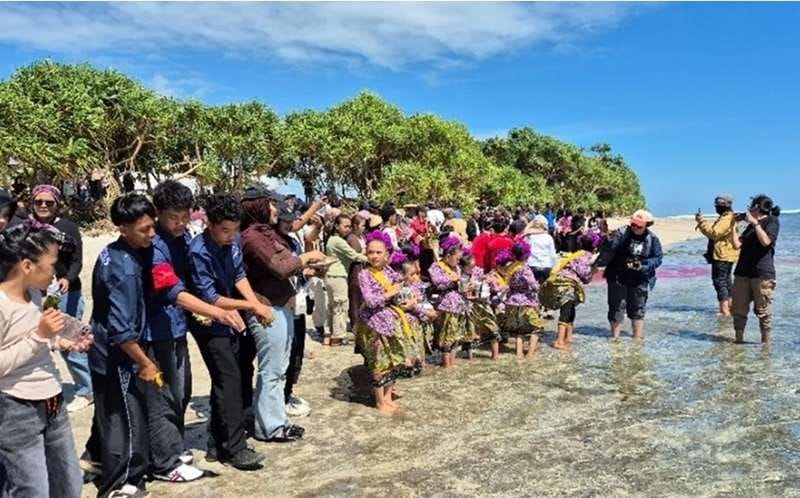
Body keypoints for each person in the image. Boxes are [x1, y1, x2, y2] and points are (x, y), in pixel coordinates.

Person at [146, 180, 244, 479]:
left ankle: (169, 448)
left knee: (180, 390)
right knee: (163, 395)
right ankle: (165, 461)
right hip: (154, 327)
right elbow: (172, 289)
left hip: (177, 325)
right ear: (158, 214)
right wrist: (217, 311)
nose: (180, 223)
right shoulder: (155, 246)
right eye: (173, 217)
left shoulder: (183, 239)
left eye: (185, 216)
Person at [0, 222, 91, 498]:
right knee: (32, 489)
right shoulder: (2, 304)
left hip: (52, 402)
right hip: (16, 408)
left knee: (68, 483)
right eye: (52, 264)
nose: (55, 273)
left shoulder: (36, 295)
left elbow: (39, 338)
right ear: (27, 266)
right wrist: (40, 336)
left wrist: (64, 341)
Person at [188, 193, 269, 470]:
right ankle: (235, 448)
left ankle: (216, 441)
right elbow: (209, 297)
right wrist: (250, 304)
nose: (231, 236)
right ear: (209, 223)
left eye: (235, 230)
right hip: (208, 321)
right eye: (225, 230)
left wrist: (254, 304)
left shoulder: (232, 242)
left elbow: (238, 275)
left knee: (227, 378)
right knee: (229, 378)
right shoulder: (198, 251)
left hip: (231, 317)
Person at [88, 193, 161, 497]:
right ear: (123, 228)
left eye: (152, 226)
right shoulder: (124, 269)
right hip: (117, 355)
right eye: (144, 230)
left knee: (110, 414)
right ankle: (121, 482)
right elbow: (121, 330)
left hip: (106, 348)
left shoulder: (115, 252)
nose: (152, 234)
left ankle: (96, 460)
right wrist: (145, 362)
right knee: (126, 418)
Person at [239, 186, 324, 443]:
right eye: (271, 204)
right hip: (268, 308)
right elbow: (279, 266)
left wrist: (305, 269)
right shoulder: (253, 237)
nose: (276, 209)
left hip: (281, 305)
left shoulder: (267, 234)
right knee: (272, 370)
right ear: (258, 207)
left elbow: (287, 265)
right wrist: (307, 257)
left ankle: (277, 420)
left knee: (280, 368)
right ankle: (270, 427)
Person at [24, 184, 93, 413]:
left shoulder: (68, 227)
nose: (43, 206)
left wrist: (68, 279)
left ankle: (87, 389)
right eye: (39, 202)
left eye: (49, 202)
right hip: (36, 293)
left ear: (57, 203)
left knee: (69, 340)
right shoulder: (26, 228)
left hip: (65, 293)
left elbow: (77, 260)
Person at [356, 231, 418, 414]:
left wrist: (411, 296)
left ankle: (389, 396)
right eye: (370, 252)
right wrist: (390, 293)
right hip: (374, 324)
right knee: (379, 362)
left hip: (392, 320)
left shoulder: (390, 271)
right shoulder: (364, 274)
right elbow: (370, 301)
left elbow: (404, 286)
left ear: (387, 254)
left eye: (378, 252)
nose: (374, 256)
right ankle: (379, 401)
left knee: (394, 360)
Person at [595, 209, 663, 340]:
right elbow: (607, 249)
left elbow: (658, 258)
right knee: (616, 307)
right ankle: (615, 338)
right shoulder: (621, 233)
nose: (635, 227)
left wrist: (644, 266)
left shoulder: (652, 239)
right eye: (633, 224)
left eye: (639, 226)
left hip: (640, 278)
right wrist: (607, 239)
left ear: (647, 225)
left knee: (638, 308)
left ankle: (637, 339)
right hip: (617, 276)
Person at [731, 194, 780, 344]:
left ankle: (765, 348)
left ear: (756, 207)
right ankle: (738, 343)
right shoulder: (751, 226)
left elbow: (766, 242)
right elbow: (737, 245)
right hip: (742, 273)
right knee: (738, 311)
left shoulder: (772, 221)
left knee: (763, 312)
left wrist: (756, 224)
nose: (748, 209)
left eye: (750, 206)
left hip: (762, 274)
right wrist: (733, 226)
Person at [540, 234, 596, 349]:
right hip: (568, 285)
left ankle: (568, 337)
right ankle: (559, 341)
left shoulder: (577, 253)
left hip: (560, 282)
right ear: (594, 247)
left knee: (570, 310)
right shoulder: (588, 256)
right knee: (566, 312)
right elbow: (584, 274)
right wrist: (593, 271)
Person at [495, 240, 544, 359]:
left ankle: (518, 354)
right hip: (526, 302)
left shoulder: (510, 267)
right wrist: (541, 288)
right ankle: (530, 355)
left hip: (512, 301)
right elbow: (533, 285)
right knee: (536, 329)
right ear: (526, 254)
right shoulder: (525, 269)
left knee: (519, 330)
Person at [695, 194, 741, 316]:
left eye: (718, 205)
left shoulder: (727, 218)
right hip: (727, 254)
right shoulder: (727, 216)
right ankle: (729, 307)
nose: (716, 207)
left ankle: (724, 310)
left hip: (722, 255)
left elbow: (714, 233)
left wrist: (701, 222)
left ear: (725, 206)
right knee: (726, 281)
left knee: (719, 281)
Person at [325, 214, 368, 346]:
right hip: (338, 276)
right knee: (341, 306)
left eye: (349, 226)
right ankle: (338, 336)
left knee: (333, 306)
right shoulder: (338, 241)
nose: (348, 229)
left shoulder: (332, 240)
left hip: (332, 275)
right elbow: (353, 255)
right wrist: (371, 258)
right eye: (345, 226)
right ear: (337, 226)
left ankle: (331, 335)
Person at [428, 236, 469, 368]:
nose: (458, 262)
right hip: (447, 305)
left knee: (457, 334)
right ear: (448, 255)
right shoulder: (436, 266)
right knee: (448, 334)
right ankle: (446, 364)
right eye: (457, 258)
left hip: (459, 305)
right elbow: (438, 283)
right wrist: (453, 280)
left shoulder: (455, 268)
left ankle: (453, 361)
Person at [347, 214, 367, 328]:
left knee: (361, 297)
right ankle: (355, 323)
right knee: (355, 297)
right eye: (362, 225)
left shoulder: (361, 237)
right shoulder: (352, 238)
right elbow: (354, 254)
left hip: (363, 268)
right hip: (355, 269)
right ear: (355, 226)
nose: (364, 227)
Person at [525, 215, 558, 283]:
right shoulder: (548, 238)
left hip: (532, 265)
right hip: (546, 266)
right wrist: (555, 266)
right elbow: (552, 254)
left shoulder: (530, 237)